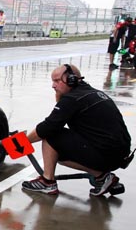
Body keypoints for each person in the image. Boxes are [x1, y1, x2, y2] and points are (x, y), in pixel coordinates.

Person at [21, 63, 132, 196]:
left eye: (57, 81)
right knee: (58, 148)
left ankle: (47, 182)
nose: (53, 85)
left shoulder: (72, 98)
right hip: (120, 155)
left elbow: (47, 128)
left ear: (72, 80)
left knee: (51, 136)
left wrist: (18, 143)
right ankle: (102, 178)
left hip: (105, 154)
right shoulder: (93, 93)